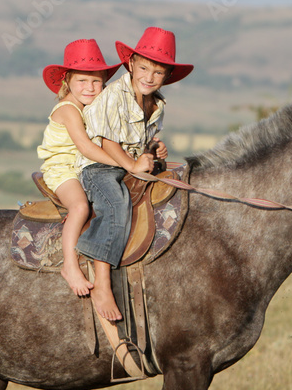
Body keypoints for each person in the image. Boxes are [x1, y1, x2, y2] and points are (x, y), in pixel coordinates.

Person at [75, 27, 193, 321]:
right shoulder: (115, 95)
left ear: (167, 76)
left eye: (158, 72)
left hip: (127, 164)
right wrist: (131, 165)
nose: (149, 77)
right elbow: (108, 143)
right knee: (115, 204)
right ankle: (102, 283)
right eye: (143, 68)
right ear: (131, 64)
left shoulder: (156, 103)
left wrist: (154, 149)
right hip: (99, 166)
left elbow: (140, 143)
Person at [38, 40, 122, 297]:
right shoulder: (68, 109)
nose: (90, 87)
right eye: (82, 81)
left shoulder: (92, 108)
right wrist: (124, 163)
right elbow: (85, 147)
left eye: (96, 81)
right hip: (62, 168)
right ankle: (70, 266)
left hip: (82, 167)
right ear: (67, 81)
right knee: (80, 207)